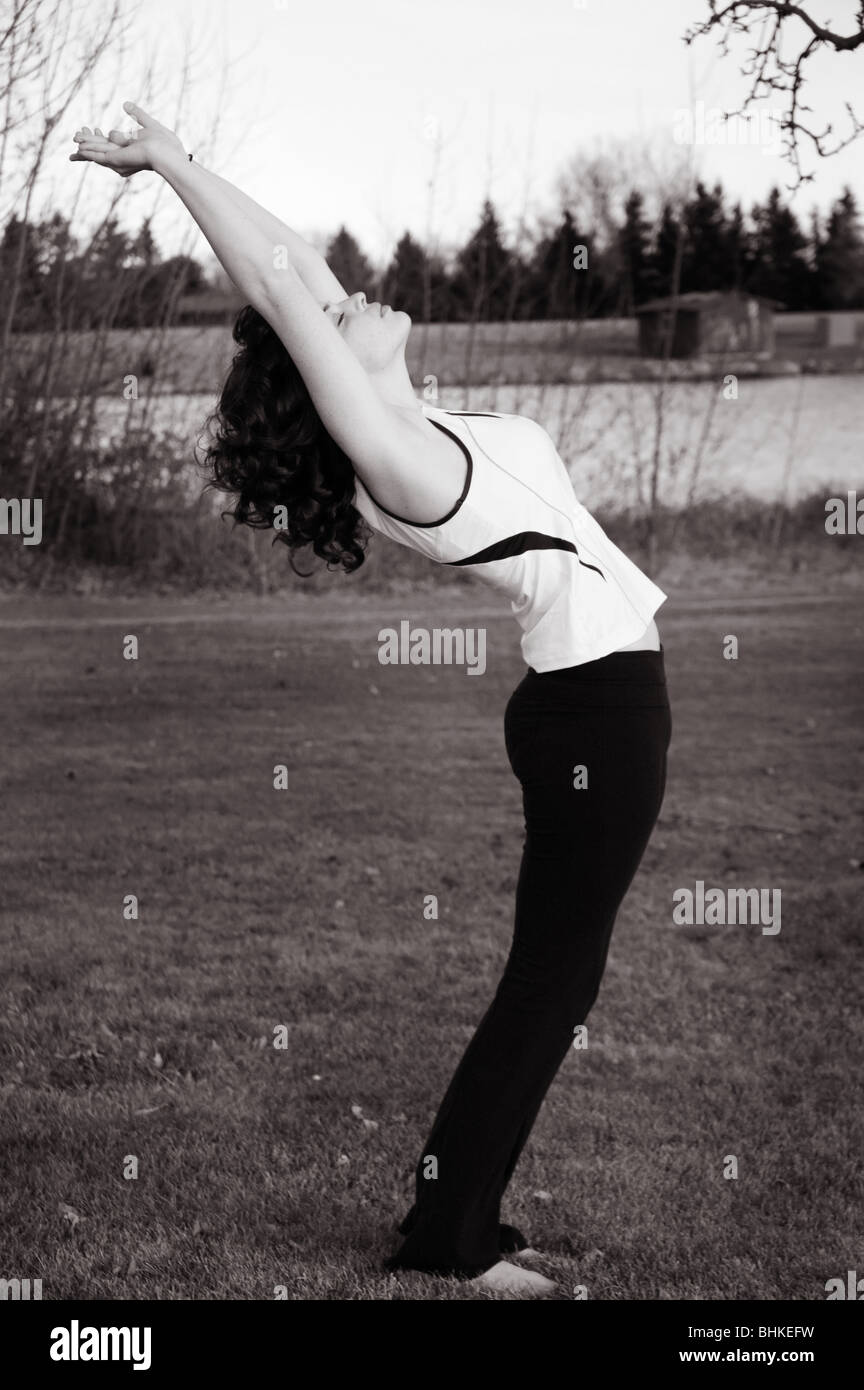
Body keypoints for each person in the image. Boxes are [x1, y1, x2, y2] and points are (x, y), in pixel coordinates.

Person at [71, 106, 672, 1297]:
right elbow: (290, 298)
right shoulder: (398, 461)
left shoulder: (413, 420)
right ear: (326, 368)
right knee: (551, 982)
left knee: (559, 978)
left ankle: (454, 1221)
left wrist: (180, 162)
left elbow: (291, 273)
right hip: (598, 717)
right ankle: (451, 1239)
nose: (350, 296)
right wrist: (188, 190)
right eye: (336, 319)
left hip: (593, 707)